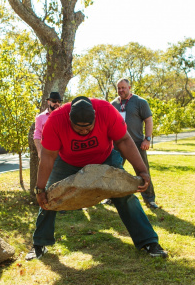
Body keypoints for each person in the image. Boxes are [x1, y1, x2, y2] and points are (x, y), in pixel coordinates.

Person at [26, 96, 168, 260]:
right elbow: (48, 157)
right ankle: (39, 245)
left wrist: (142, 170)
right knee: (48, 198)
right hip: (67, 162)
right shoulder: (56, 120)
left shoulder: (106, 111)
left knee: (125, 196)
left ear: (95, 115)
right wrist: (40, 189)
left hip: (104, 158)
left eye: (88, 128)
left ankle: (148, 242)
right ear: (69, 120)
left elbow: (124, 141)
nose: (84, 132)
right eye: (79, 129)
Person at [111, 79, 158, 209]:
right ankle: (111, 197)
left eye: (123, 88)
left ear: (129, 87)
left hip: (137, 144)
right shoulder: (113, 104)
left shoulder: (140, 102)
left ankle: (149, 199)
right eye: (119, 88)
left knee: (143, 171)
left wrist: (147, 139)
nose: (121, 90)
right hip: (118, 144)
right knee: (114, 171)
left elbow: (148, 120)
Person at [34, 92, 62, 159]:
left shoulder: (63, 116)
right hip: (48, 153)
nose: (57, 103)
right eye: (54, 101)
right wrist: (39, 152)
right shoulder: (40, 118)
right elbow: (37, 135)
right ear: (48, 102)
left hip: (62, 154)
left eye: (59, 101)